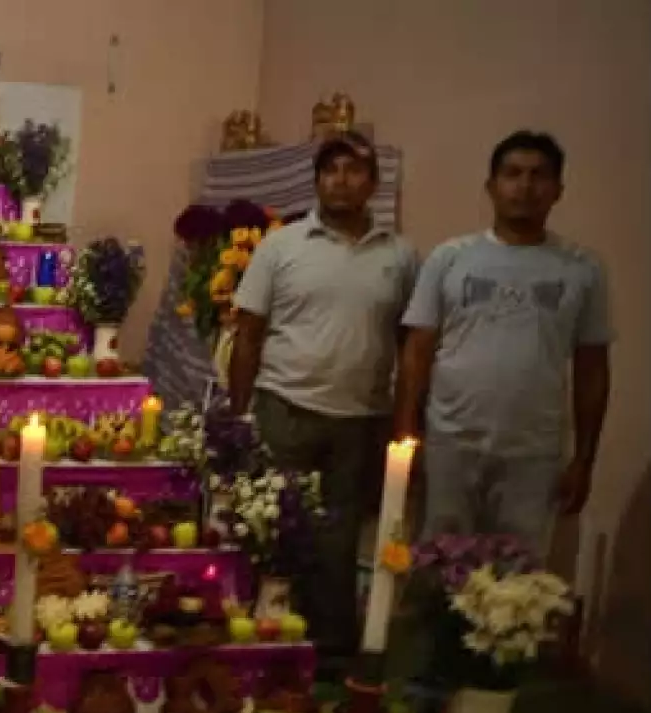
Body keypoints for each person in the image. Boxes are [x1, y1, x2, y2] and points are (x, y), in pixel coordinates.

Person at [227, 131, 418, 667]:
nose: (341, 180)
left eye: (354, 170)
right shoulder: (281, 246)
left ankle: (331, 647)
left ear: (373, 184)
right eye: (330, 170)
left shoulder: (400, 256)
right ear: (316, 180)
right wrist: (240, 414)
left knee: (339, 536)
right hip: (283, 406)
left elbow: (413, 345)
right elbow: (249, 333)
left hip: (360, 419)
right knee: (273, 527)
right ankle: (261, 635)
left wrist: (407, 420)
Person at [394, 131, 610, 557]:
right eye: (512, 174)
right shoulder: (450, 258)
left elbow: (592, 369)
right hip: (450, 443)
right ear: (491, 187)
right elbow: (417, 351)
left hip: (533, 452)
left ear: (558, 191)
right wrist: (405, 433)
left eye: (538, 176)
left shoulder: (582, 270)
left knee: (516, 589)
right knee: (437, 568)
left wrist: (584, 459)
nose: (525, 187)